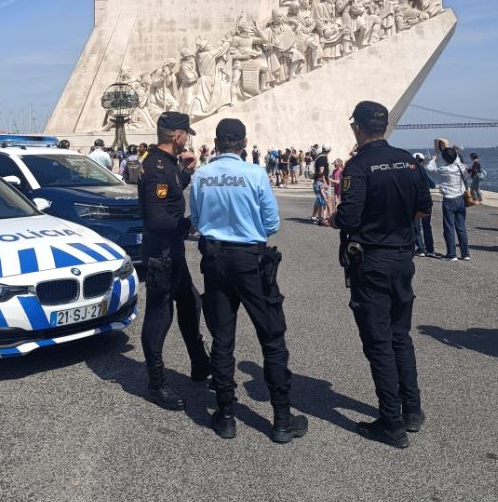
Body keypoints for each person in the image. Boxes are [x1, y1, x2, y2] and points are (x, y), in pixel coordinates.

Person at [190, 118, 308, 443]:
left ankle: (226, 415)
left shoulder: (201, 175)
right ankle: (281, 419)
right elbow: (271, 221)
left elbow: (197, 221)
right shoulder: (255, 173)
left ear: (216, 142)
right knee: (271, 335)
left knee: (222, 338)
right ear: (244, 143)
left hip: (214, 260)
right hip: (249, 260)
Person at [332, 101, 432, 449]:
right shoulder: (409, 161)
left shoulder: (357, 167)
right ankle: (413, 411)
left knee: (378, 343)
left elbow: (347, 218)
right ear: (385, 127)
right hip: (403, 258)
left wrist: (341, 218)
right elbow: (423, 209)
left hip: (371, 262)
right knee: (400, 336)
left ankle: (391, 421)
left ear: (357, 128)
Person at [138, 111, 210, 409]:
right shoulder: (155, 167)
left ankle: (199, 362)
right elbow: (157, 219)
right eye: (186, 135)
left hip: (172, 252)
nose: (187, 140)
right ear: (177, 135)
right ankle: (156, 383)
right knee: (159, 315)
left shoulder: (163, 163)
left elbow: (168, 193)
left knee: (191, 302)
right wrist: (187, 224)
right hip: (161, 254)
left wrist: (187, 172)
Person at [425, 147, 471, 261]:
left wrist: (433, 159)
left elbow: (428, 168)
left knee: (449, 227)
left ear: (444, 158)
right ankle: (465, 254)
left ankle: (452, 254)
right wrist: (454, 152)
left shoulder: (443, 170)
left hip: (449, 200)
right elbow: (458, 161)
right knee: (461, 228)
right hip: (461, 200)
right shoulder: (460, 167)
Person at [412, 153, 436, 257]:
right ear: (422, 161)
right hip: (427, 202)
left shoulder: (410, 173)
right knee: (427, 227)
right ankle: (430, 249)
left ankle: (420, 249)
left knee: (416, 226)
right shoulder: (424, 173)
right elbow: (433, 185)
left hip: (415, 203)